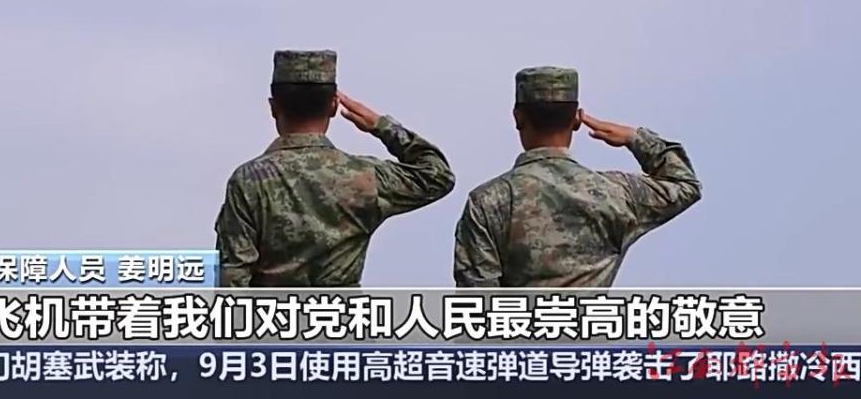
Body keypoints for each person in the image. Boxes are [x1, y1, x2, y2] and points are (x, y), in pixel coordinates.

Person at [215, 49, 455, 287]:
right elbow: (437, 176)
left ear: (273, 107)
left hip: (269, 312)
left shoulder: (247, 181)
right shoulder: (365, 176)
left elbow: (233, 275)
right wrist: (382, 126)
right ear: (333, 106)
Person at [454, 66, 702, 288]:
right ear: (576, 119)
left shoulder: (488, 201)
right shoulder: (616, 193)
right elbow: (684, 184)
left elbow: (477, 301)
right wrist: (635, 138)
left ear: (518, 117)